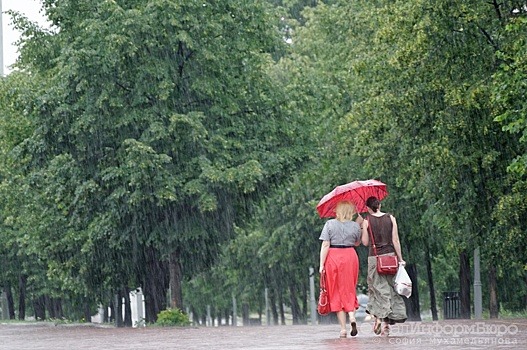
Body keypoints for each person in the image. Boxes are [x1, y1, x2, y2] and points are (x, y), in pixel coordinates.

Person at [361, 196, 407, 336]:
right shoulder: (391, 218)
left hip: (375, 259)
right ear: (379, 205)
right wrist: (400, 259)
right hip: (390, 258)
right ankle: (386, 325)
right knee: (390, 290)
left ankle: (379, 318)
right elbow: (395, 240)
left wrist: (362, 228)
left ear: (368, 208)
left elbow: (364, 242)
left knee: (377, 290)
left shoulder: (366, 220)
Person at [319, 201, 362, 338]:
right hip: (350, 256)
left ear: (337, 211)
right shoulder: (355, 225)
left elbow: (326, 244)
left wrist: (321, 265)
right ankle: (352, 316)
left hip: (334, 257)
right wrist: (359, 224)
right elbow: (357, 243)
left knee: (336, 291)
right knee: (349, 288)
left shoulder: (330, 224)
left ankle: (343, 329)